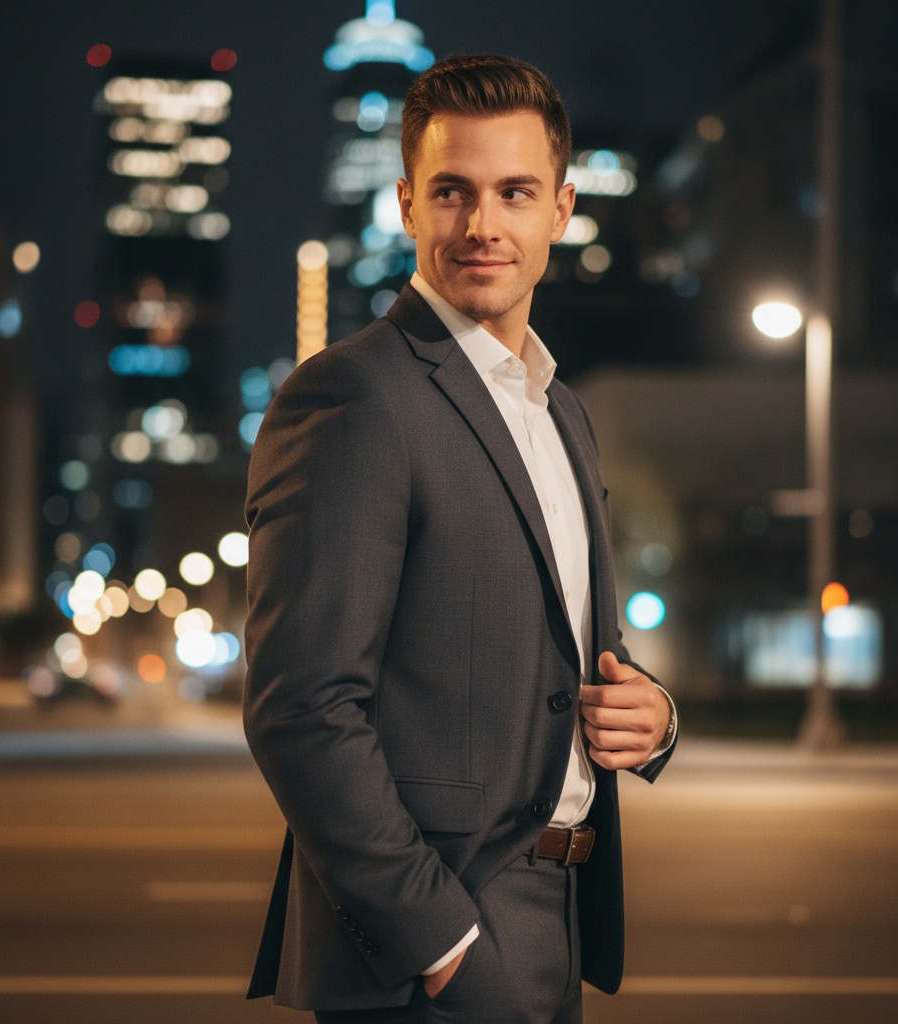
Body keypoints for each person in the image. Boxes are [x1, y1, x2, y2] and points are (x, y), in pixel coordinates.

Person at [243, 53, 677, 1024]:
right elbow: (301, 707)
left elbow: (561, 654)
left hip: (558, 919)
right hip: (432, 949)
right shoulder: (353, 396)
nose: (482, 224)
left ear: (561, 209)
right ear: (406, 204)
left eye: (515, 192)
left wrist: (653, 716)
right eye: (452, 192)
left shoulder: (561, 411)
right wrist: (443, 947)